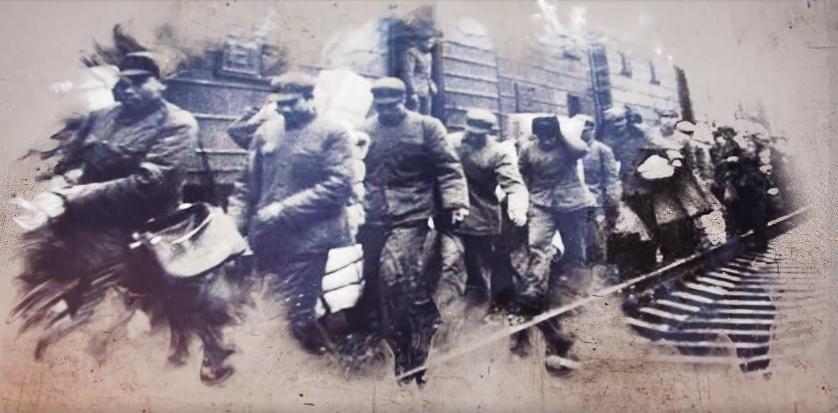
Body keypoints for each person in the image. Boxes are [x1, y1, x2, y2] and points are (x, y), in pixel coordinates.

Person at [11, 52, 245, 385]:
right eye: (124, 82)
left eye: (139, 82)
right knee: (50, 282)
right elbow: (73, 160)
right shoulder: (103, 116)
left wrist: (69, 196)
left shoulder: (177, 124)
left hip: (140, 228)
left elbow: (148, 184)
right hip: (81, 222)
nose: (128, 89)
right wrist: (59, 183)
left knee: (169, 298)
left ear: (160, 84)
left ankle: (214, 351)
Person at [227, 72, 359, 355]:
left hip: (309, 240)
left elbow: (338, 186)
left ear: (310, 99)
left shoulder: (333, 132)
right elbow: (245, 183)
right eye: (280, 103)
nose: (284, 109)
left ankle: (295, 368)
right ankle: (318, 352)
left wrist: (283, 209)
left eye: (291, 102)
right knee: (264, 304)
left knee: (290, 311)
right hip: (268, 238)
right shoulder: (266, 132)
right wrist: (233, 224)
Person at [360, 77, 469, 384]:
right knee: (375, 288)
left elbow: (449, 168)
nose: (386, 110)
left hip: (413, 213)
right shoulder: (365, 130)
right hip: (373, 216)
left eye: (391, 105)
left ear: (404, 100)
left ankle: (412, 359)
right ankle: (392, 351)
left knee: (393, 279)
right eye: (381, 105)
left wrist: (456, 203)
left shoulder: (427, 127)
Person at [431, 109, 528, 346]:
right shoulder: (450, 143)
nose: (474, 136)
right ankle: (447, 323)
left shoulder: (497, 153)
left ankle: (474, 321)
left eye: (479, 133)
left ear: (489, 132)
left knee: (478, 274)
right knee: (450, 263)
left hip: (482, 222)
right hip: (450, 218)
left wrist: (517, 207)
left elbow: (514, 185)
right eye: (471, 131)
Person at [511, 115, 594, 376]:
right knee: (537, 245)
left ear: (556, 134)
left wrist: (563, 135)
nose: (546, 141)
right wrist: (532, 195)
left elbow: (582, 150)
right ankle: (534, 288)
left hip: (572, 203)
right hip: (542, 202)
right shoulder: (528, 149)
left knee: (575, 254)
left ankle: (575, 292)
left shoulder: (568, 146)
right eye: (542, 136)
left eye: (550, 135)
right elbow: (522, 171)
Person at [578, 115, 621, 265]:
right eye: (581, 129)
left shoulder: (602, 150)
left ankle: (600, 271)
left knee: (596, 241)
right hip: (574, 202)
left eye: (587, 129)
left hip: (596, 202)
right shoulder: (570, 150)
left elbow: (611, 179)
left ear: (593, 130)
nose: (584, 132)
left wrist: (611, 203)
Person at [397, 24, 438, 115]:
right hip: (416, 89)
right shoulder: (412, 52)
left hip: (427, 89)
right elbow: (408, 74)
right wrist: (412, 92)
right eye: (427, 43)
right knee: (415, 115)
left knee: (427, 115)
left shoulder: (428, 55)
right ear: (420, 41)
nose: (429, 45)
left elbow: (427, 73)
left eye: (431, 43)